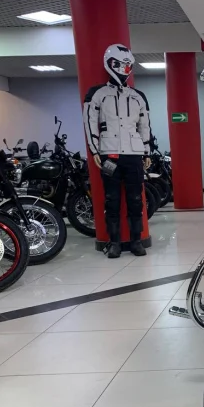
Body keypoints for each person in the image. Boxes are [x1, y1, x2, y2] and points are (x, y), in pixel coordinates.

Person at [83, 44, 152, 259]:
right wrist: (94, 149)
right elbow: (89, 122)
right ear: (111, 63)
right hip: (109, 154)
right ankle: (114, 243)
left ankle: (136, 241)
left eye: (128, 65)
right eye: (121, 65)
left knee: (136, 200)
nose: (124, 69)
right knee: (111, 199)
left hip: (134, 155)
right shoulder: (97, 94)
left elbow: (145, 126)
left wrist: (147, 151)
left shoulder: (138, 96)